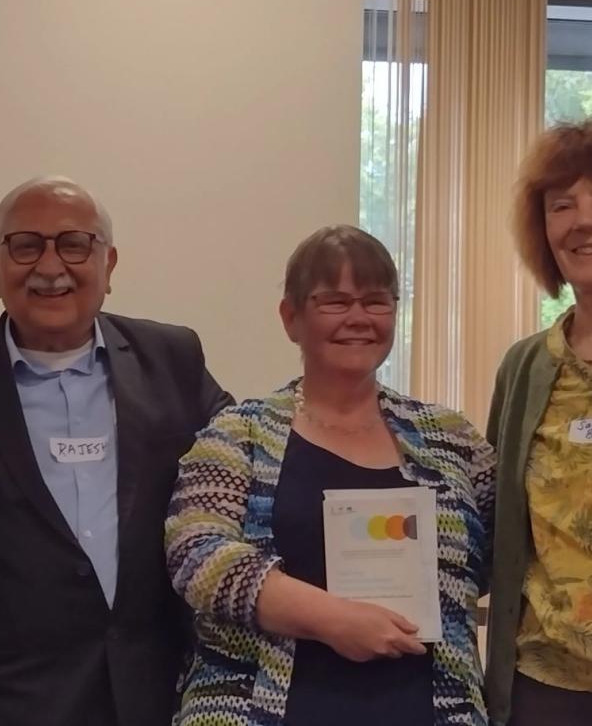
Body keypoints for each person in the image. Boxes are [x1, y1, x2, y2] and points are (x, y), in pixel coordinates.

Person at [0, 176, 232, 726]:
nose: (50, 266)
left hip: (156, 699)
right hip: (3, 708)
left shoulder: (173, 360)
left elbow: (242, 469)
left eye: (74, 244)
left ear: (109, 264)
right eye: (26, 245)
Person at [166, 225, 496, 725]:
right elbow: (197, 555)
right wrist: (335, 620)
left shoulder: (453, 438)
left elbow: (499, 552)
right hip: (260, 711)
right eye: (335, 302)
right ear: (290, 318)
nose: (359, 318)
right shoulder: (239, 434)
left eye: (376, 301)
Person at [485, 119, 592, 725]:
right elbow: (494, 517)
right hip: (542, 686)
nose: (582, 220)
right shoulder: (525, 367)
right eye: (562, 205)